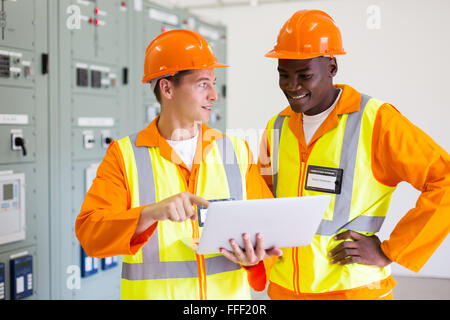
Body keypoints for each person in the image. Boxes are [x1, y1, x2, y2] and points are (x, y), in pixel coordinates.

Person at [254, 9, 450, 299]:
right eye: (284, 75)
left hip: (352, 290)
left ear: (331, 66)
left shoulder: (375, 120)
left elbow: (444, 179)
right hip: (285, 289)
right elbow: (262, 202)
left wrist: (390, 251)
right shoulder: (278, 126)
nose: (292, 86)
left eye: (304, 75)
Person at [75, 29, 280, 300]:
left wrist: (255, 259)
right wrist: (150, 213)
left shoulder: (235, 151)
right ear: (167, 88)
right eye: (203, 84)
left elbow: (266, 229)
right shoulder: (124, 155)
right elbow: (91, 234)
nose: (214, 95)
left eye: (213, 84)